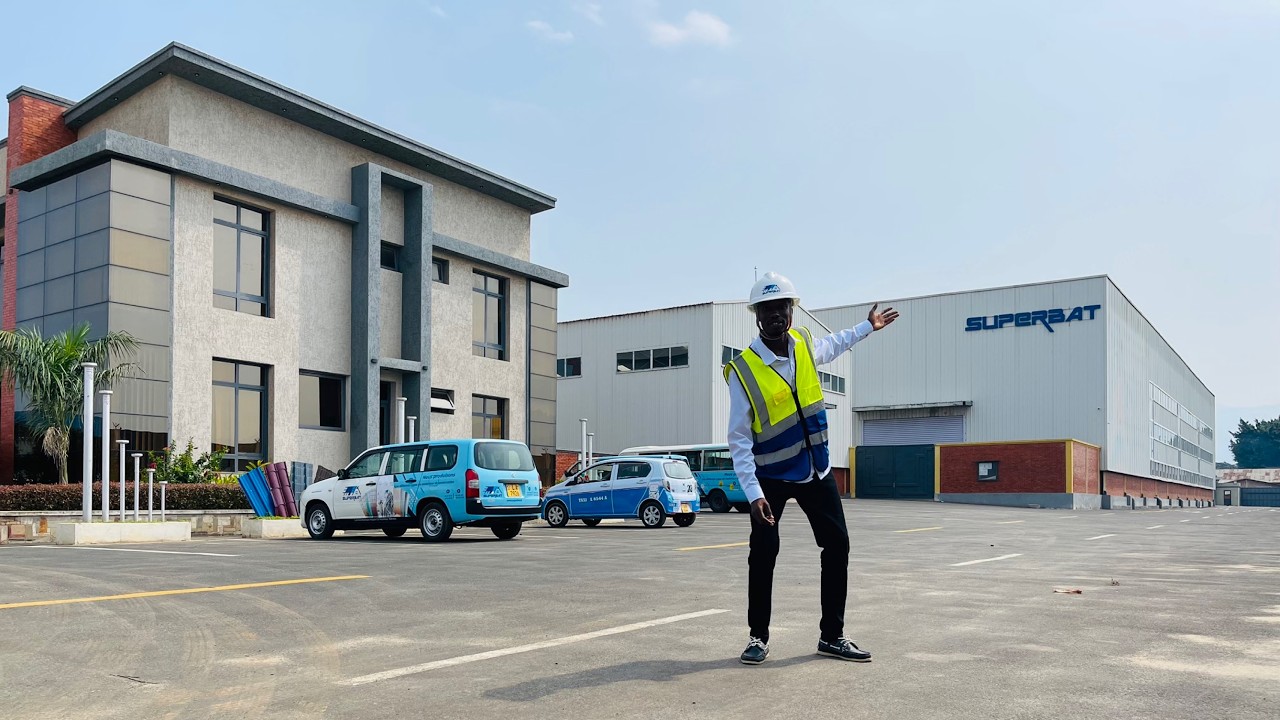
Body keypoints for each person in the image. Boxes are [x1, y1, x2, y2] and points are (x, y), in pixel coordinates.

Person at [723, 271, 899, 665]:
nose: (775, 315)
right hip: (770, 476)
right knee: (763, 554)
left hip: (816, 471)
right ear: (757, 315)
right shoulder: (744, 370)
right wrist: (753, 495)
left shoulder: (802, 344)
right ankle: (758, 637)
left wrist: (866, 327)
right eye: (767, 309)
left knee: (837, 545)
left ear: (791, 310)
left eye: (781, 307)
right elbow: (738, 439)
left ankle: (832, 635)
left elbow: (833, 345)